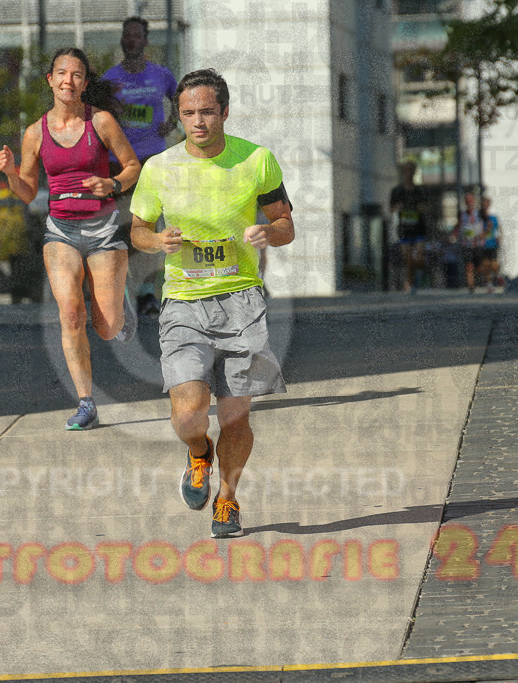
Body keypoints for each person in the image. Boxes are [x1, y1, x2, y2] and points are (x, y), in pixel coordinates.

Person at [130, 68, 294, 538]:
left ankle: (227, 499)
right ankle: (197, 452)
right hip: (184, 301)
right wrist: (156, 239)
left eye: (206, 112)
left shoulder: (257, 160)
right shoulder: (159, 167)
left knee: (235, 417)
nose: (197, 122)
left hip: (242, 301)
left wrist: (269, 232)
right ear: (178, 116)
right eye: (187, 113)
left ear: (224, 111)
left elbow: (286, 225)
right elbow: (137, 230)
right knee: (189, 411)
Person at [0, 47, 141, 431]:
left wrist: (110, 183)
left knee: (107, 327)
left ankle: (119, 300)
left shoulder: (102, 122)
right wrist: (11, 172)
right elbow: (27, 192)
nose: (68, 81)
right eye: (61, 73)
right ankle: (86, 402)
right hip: (60, 230)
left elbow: (132, 167)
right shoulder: (34, 133)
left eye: (77, 75)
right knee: (71, 313)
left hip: (103, 227)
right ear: (50, 80)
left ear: (85, 83)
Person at [104, 16, 179, 317]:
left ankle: (149, 293)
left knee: (150, 225)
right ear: (122, 41)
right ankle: (127, 293)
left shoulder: (161, 74)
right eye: (127, 36)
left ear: (145, 41)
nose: (132, 40)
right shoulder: (110, 78)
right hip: (119, 161)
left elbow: (180, 99)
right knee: (124, 228)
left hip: (152, 159)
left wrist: (171, 123)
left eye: (137, 35)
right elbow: (97, 113)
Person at [389, 160, 431, 293]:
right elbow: (391, 209)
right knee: (408, 259)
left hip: (419, 228)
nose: (409, 174)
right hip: (404, 229)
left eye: (412, 171)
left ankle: (421, 271)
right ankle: (412, 284)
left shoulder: (420, 190)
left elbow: (428, 206)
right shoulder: (397, 191)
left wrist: (421, 208)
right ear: (403, 172)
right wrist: (398, 207)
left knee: (418, 257)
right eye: (407, 170)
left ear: (415, 173)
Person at [455, 191, 483, 293]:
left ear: (474, 201)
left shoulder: (479, 213)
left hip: (478, 243)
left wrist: (483, 234)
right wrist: (454, 234)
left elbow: (487, 225)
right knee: (469, 265)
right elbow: (458, 226)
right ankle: (471, 286)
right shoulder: (461, 214)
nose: (469, 202)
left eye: (470, 200)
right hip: (466, 244)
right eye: (467, 200)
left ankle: (479, 279)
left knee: (479, 267)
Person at [478, 197, 501, 293]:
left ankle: (496, 277)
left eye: (486, 203)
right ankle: (489, 285)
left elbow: (497, 229)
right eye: (483, 203)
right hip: (483, 244)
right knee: (486, 265)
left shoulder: (494, 218)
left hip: (493, 244)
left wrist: (499, 237)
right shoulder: (479, 218)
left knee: (494, 265)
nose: (485, 205)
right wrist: (486, 230)